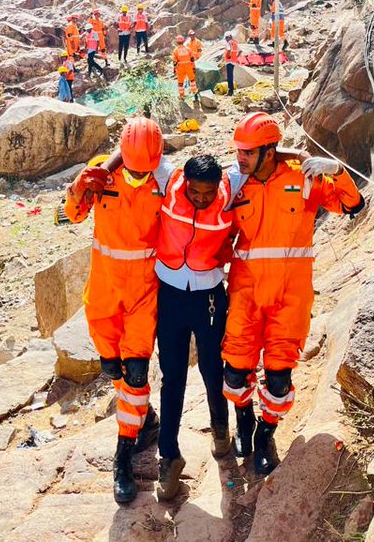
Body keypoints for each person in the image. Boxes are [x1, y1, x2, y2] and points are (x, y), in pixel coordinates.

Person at [221, 112, 365, 476]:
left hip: (290, 296)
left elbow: (352, 205)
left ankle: (266, 434)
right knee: (235, 374)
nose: (239, 157)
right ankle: (245, 421)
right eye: (237, 150)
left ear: (269, 152)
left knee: (279, 377)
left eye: (247, 151)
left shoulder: (304, 178)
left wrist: (337, 170)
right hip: (245, 294)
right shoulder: (234, 184)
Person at [63, 118, 170, 505]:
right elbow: (72, 215)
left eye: (147, 168)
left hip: (144, 295)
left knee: (137, 369)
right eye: (134, 167)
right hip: (104, 296)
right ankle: (146, 418)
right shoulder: (100, 175)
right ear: (122, 154)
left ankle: (122, 458)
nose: (140, 175)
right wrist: (78, 186)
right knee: (114, 370)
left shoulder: (166, 183)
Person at [153, 154, 235, 502]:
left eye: (208, 192)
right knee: (172, 376)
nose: (202, 198)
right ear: (183, 181)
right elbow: (141, 145)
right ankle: (169, 457)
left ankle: (220, 429)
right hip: (170, 293)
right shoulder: (168, 179)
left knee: (212, 368)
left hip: (209, 296)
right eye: (195, 191)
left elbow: (265, 156)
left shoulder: (230, 187)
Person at [172, 35, 197, 100]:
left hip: (180, 68)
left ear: (177, 42)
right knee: (192, 81)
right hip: (189, 66)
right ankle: (195, 95)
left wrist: (174, 70)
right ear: (183, 41)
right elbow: (192, 59)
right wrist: (194, 67)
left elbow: (174, 62)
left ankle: (182, 96)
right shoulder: (188, 49)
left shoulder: (175, 50)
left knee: (180, 83)